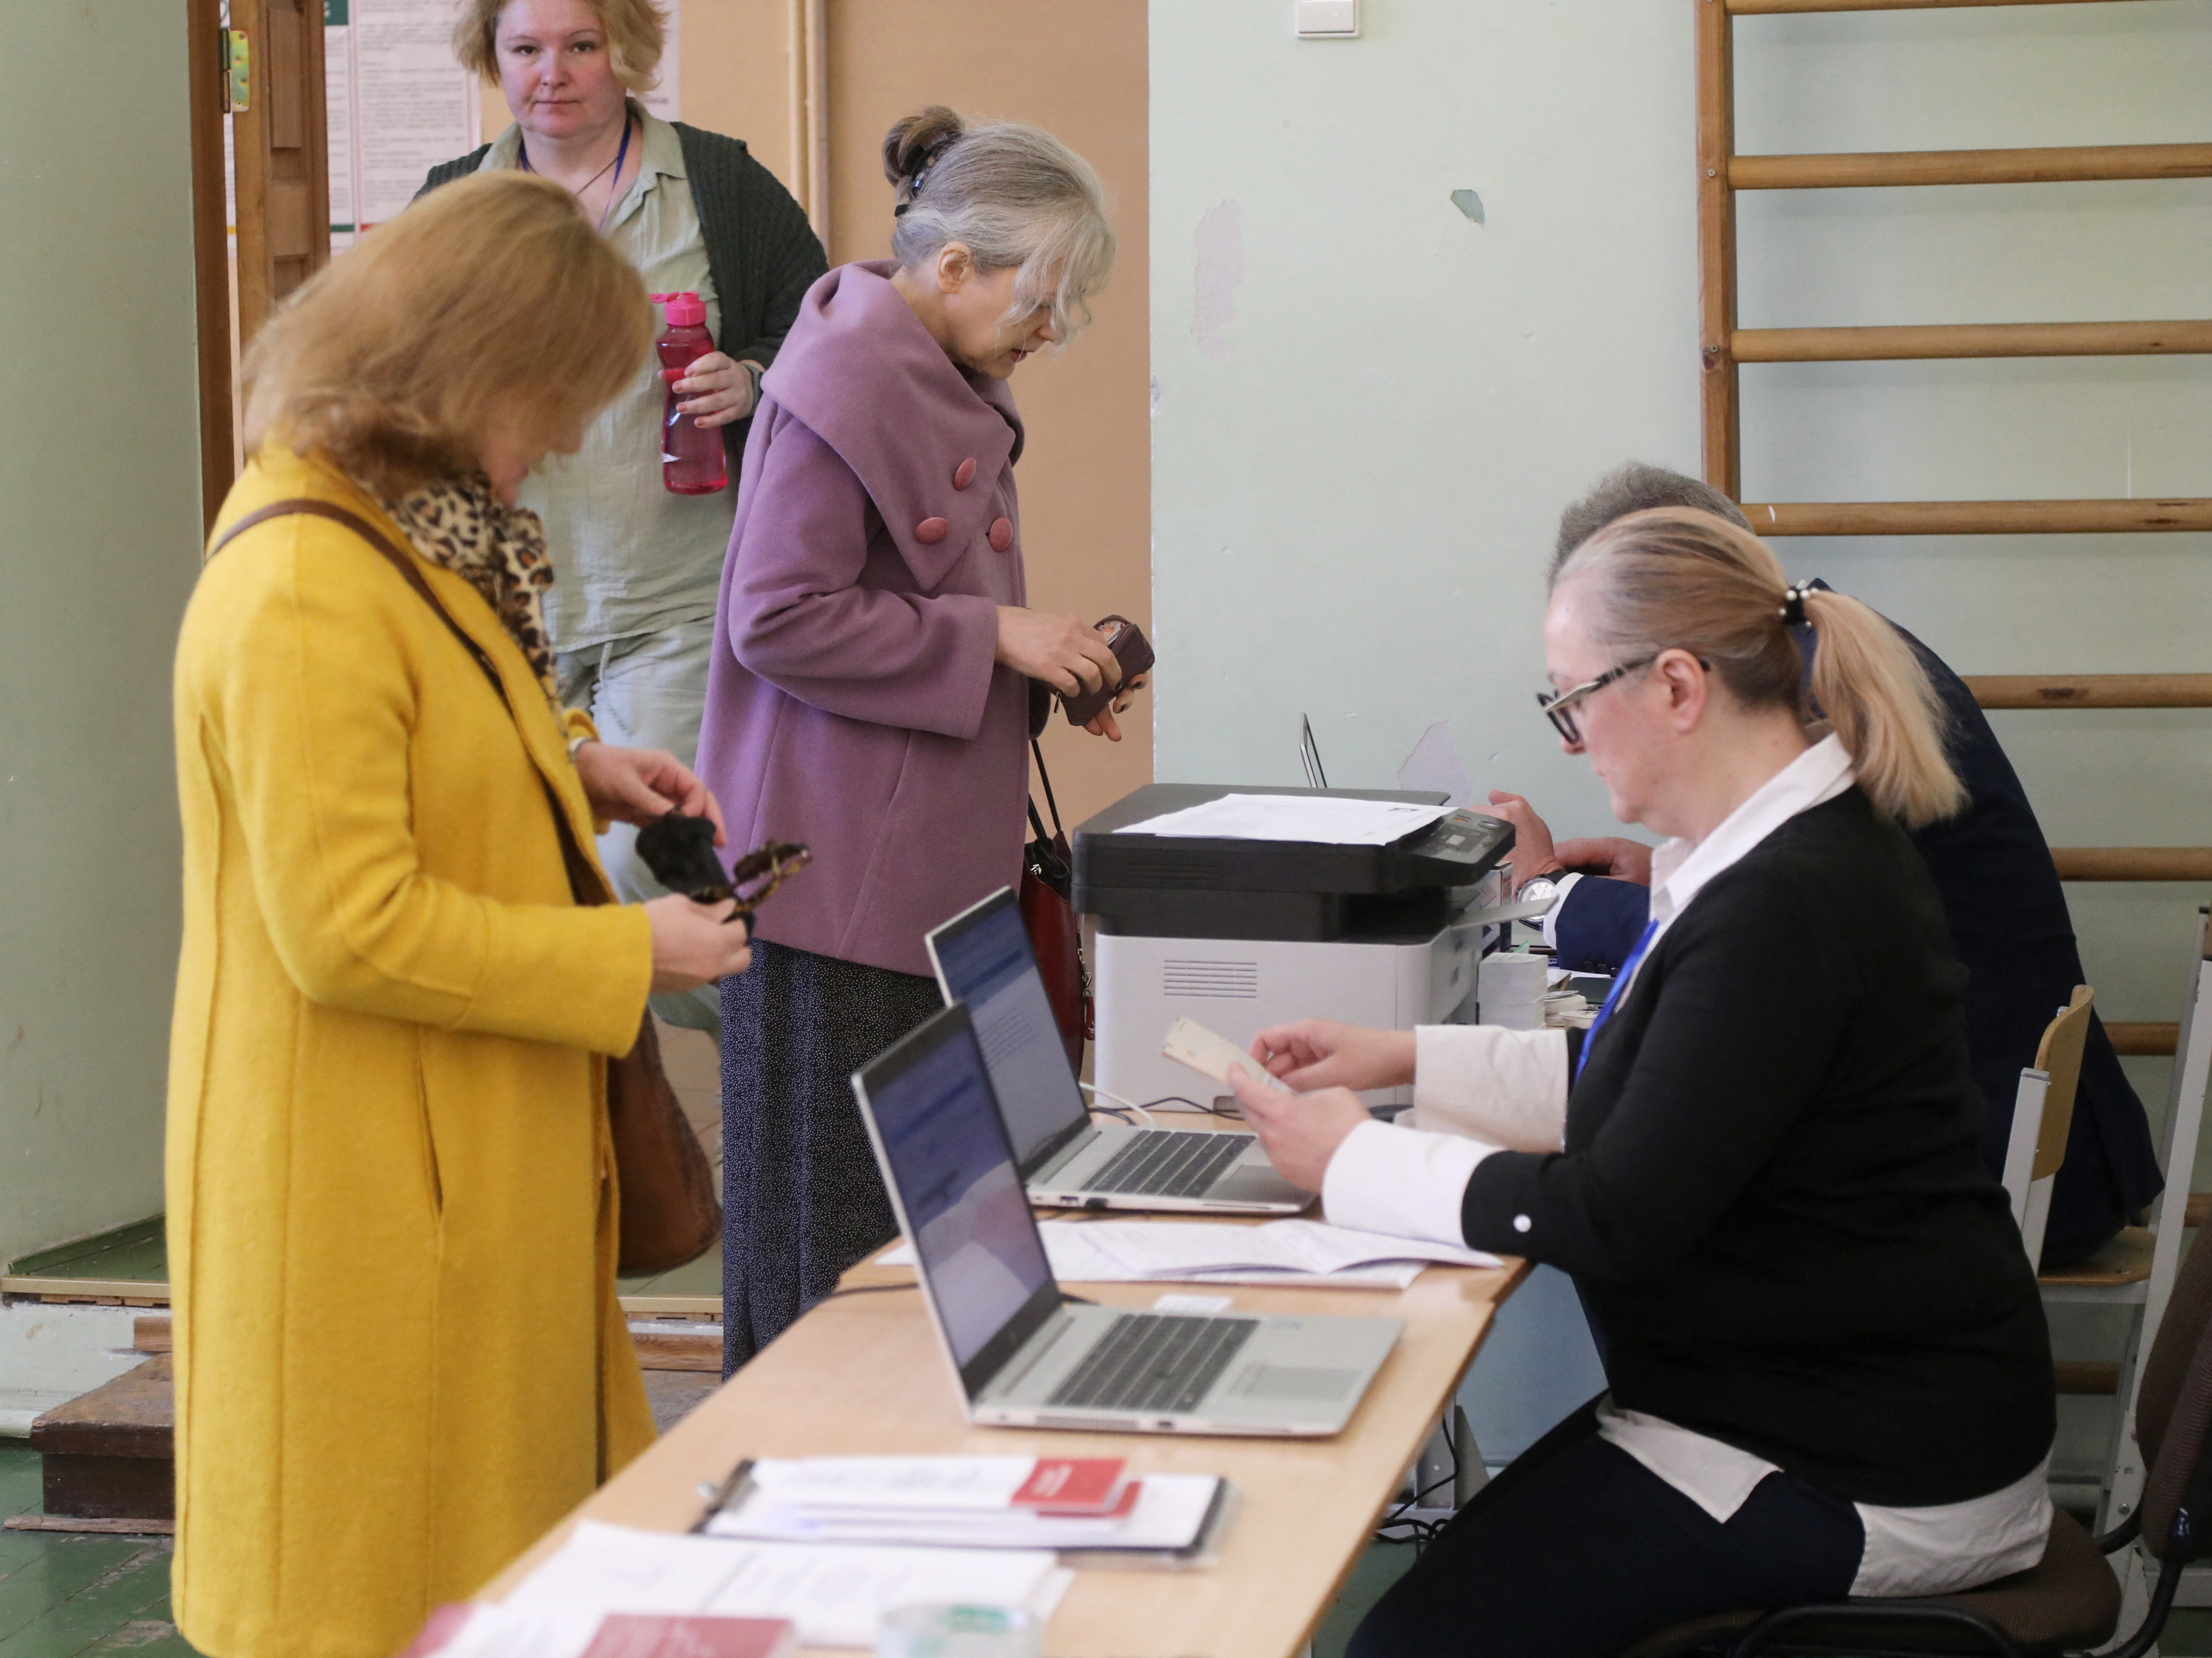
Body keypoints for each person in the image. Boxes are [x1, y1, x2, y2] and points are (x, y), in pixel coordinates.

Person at [1227, 509, 2056, 1658]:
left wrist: (1353, 1159)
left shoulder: (1787, 900)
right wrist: (1406, 1059)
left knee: (1405, 1649)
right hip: (1811, 1408)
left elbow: (1619, 1215)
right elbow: (1672, 1083)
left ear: (1676, 687)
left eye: (1571, 699)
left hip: (1868, 1464)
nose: (1569, 738)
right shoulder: (1783, 850)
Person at [168, 172, 754, 1658]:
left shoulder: (399, 528)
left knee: (497, 1579)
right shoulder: (304, 574)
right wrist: (635, 950)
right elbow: (348, 925)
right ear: (461, 369)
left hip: (460, 1167)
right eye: (553, 399)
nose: (564, 440)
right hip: (369, 1191)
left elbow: (424, 725)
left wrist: (575, 768)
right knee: (380, 1596)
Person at [694, 107, 1131, 1369]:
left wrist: (1046, 667)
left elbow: (929, 602)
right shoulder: (841, 382)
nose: (1051, 331)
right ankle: (793, 1512)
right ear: (952, 270)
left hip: (926, 868)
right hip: (835, 883)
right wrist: (993, 641)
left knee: (930, 1242)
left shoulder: (944, 371)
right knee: (828, 1255)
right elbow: (776, 618)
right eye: (1040, 300)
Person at [1486, 462, 2161, 1268]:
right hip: (1990, 1126)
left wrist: (1547, 895)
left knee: (1653, 1213)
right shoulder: (1826, 655)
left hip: (1985, 1163)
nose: (1579, 732)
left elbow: (1763, 938)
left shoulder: (1812, 698)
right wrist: (1661, 870)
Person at [421, 0, 827, 1035]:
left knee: (633, 870)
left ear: (628, 53)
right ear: (493, 59)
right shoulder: (454, 207)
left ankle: (779, 1087)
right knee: (523, 887)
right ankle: (599, 1140)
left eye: (580, 46)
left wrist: (755, 378)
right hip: (514, 620)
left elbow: (830, 345)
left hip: (674, 607)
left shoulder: (720, 190)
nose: (550, 74)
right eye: (524, 50)